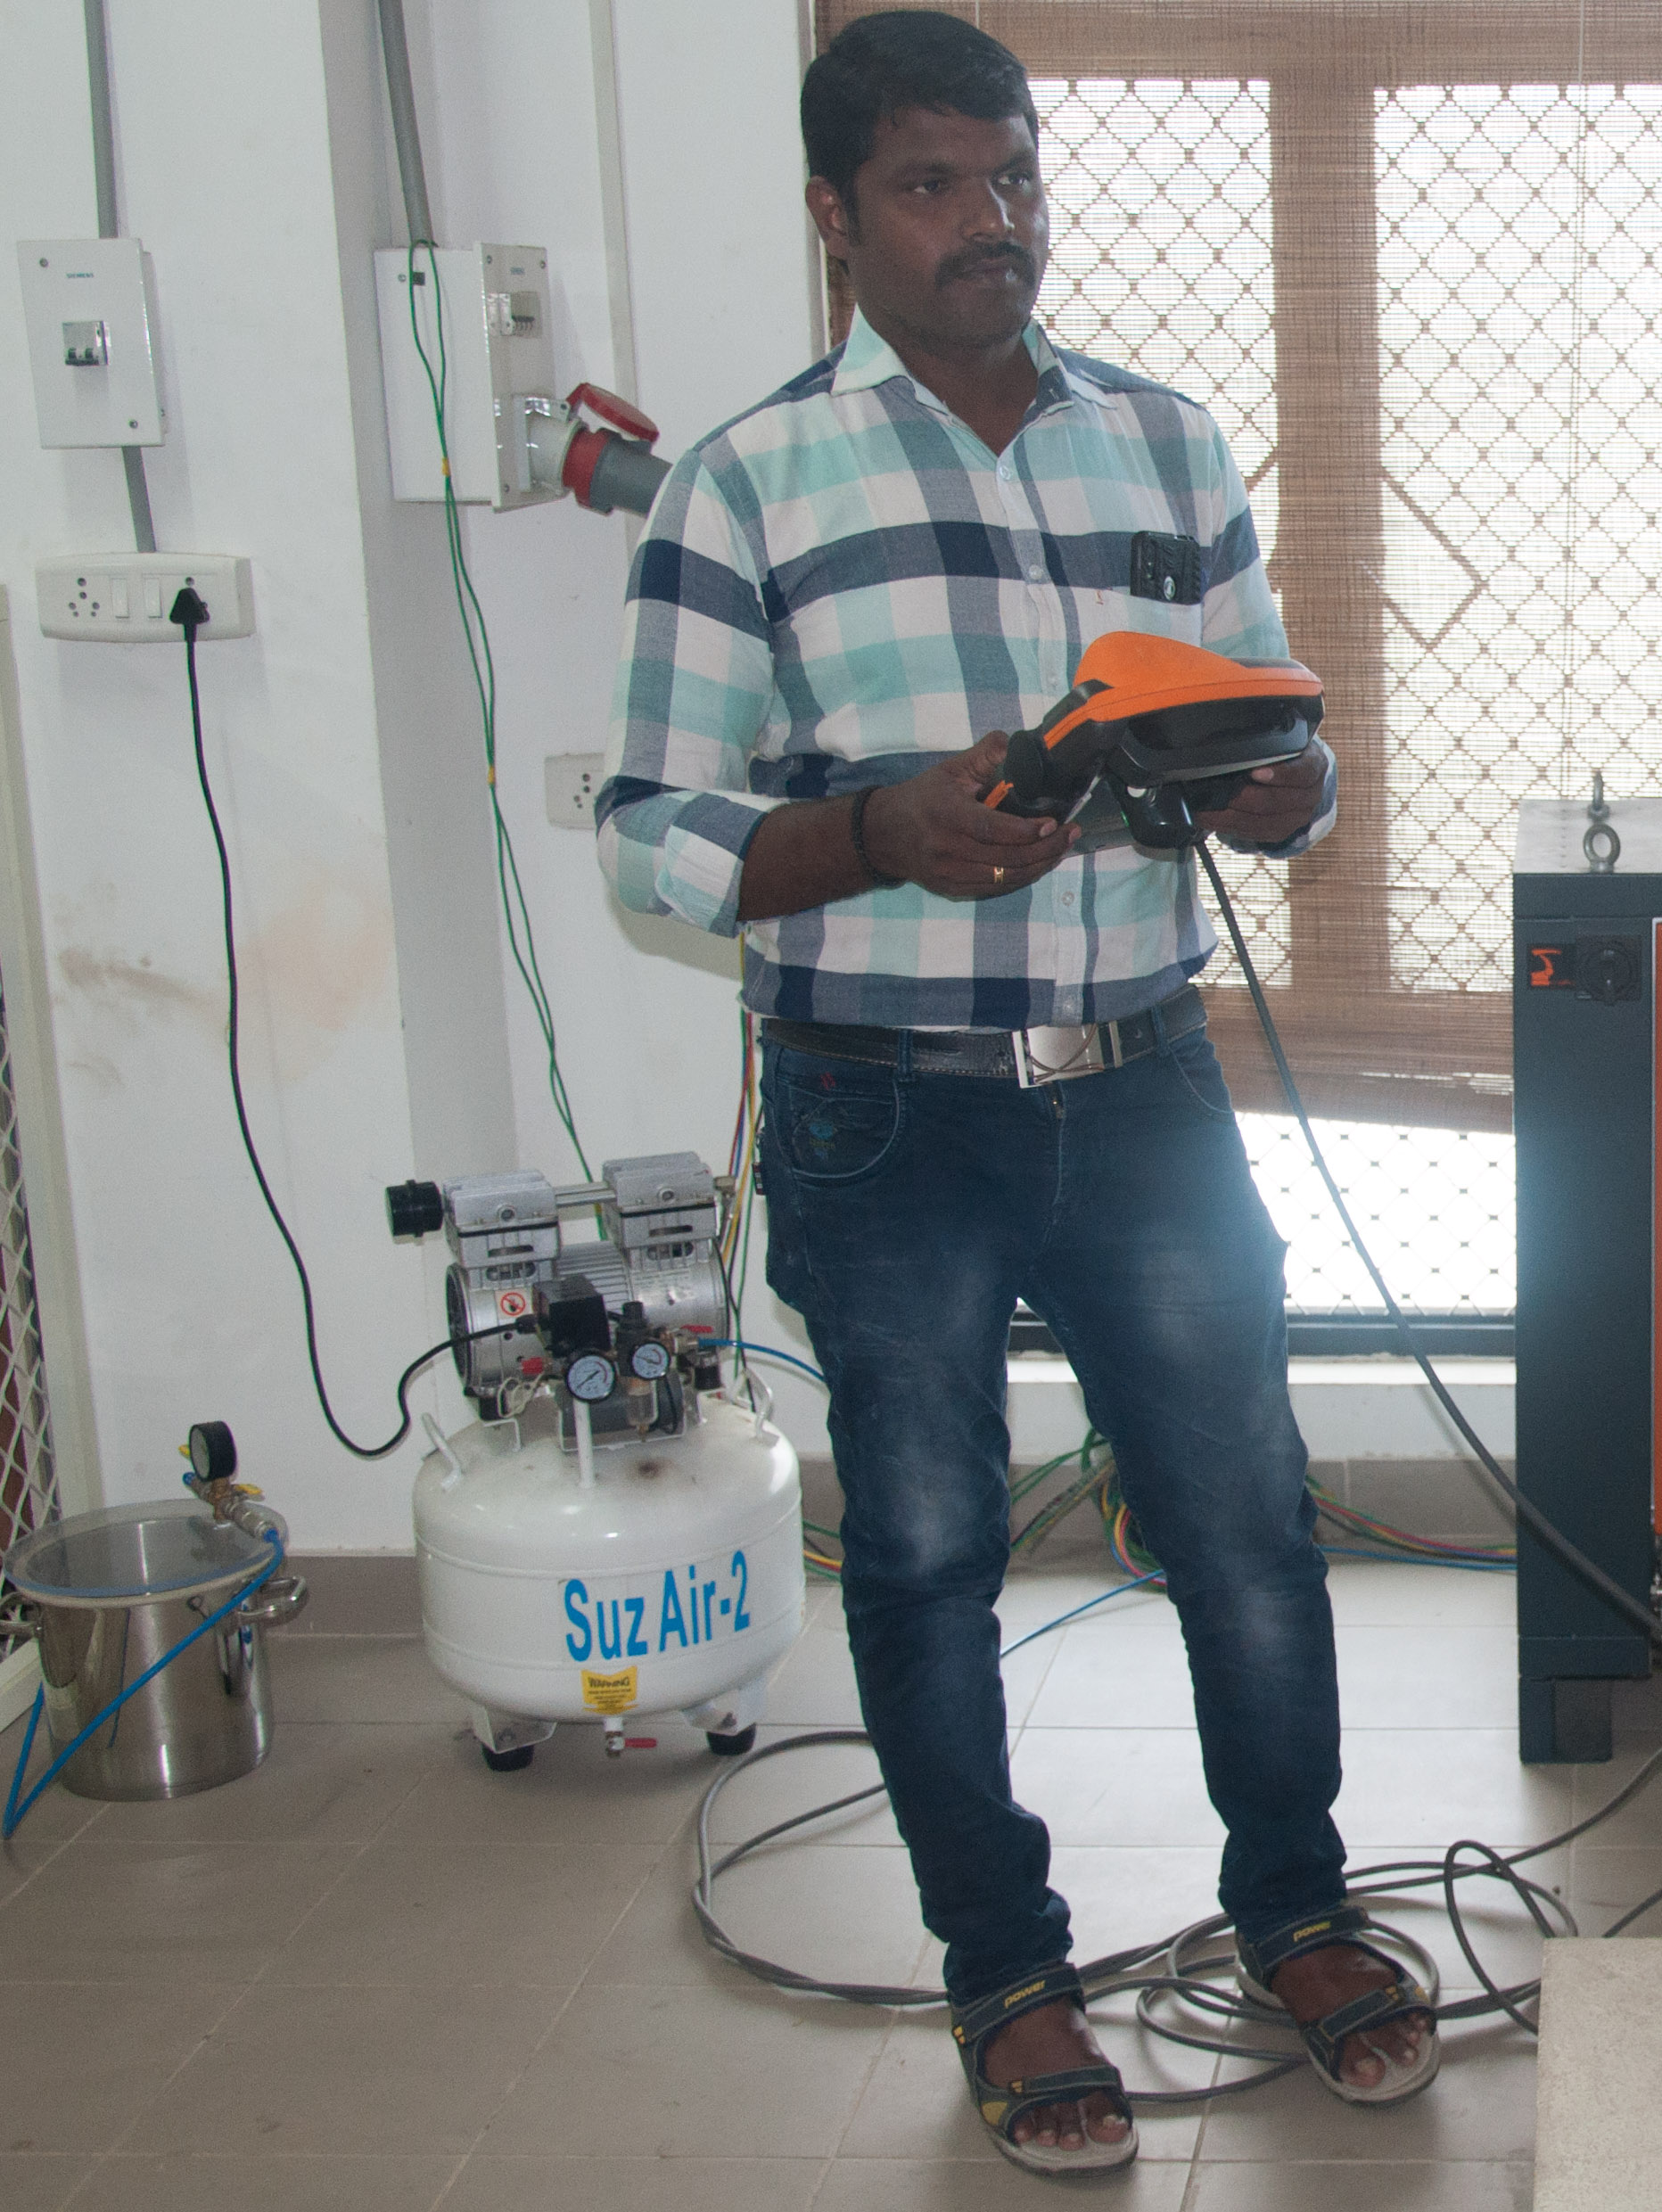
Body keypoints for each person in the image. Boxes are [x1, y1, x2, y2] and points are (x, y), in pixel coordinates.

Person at [597, 9, 1433, 2174]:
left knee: (1245, 1521)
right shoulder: (744, 482)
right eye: (932, 186)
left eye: (1014, 176)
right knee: (930, 1550)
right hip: (890, 1105)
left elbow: (1286, 748)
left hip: (1145, 1076)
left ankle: (1299, 1912)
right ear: (833, 215)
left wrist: (1282, 779)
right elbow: (649, 833)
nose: (993, 224)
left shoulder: (1158, 446)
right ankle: (1006, 1968)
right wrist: (879, 830)